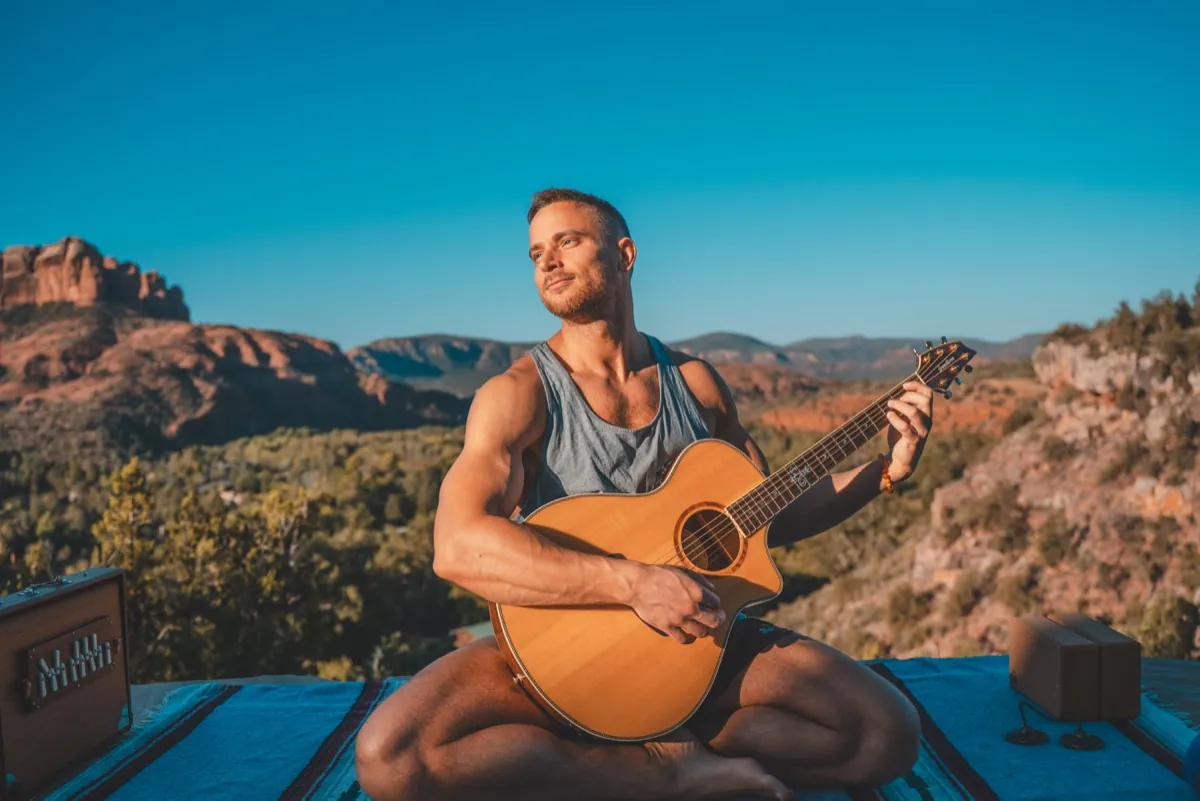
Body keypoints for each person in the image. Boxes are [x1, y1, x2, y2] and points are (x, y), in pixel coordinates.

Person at [355, 188, 934, 800]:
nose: (547, 262)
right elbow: (459, 547)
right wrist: (635, 583)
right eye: (535, 253)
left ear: (625, 253)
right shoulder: (518, 394)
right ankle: (659, 771)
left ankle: (672, 731)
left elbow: (770, 516)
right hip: (564, 655)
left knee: (885, 735)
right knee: (392, 758)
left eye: (567, 242)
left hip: (699, 642)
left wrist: (884, 471)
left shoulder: (697, 384)